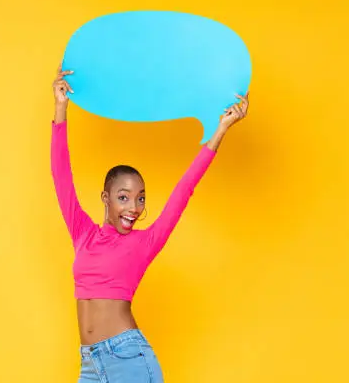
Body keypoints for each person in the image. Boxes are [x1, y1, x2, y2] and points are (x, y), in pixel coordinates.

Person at [50, 64, 249, 382]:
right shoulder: (83, 234)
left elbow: (185, 188)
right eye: (124, 197)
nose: (134, 207)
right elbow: (61, 176)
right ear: (105, 198)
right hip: (90, 364)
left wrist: (221, 128)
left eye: (141, 198)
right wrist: (61, 108)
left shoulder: (144, 243)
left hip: (127, 358)